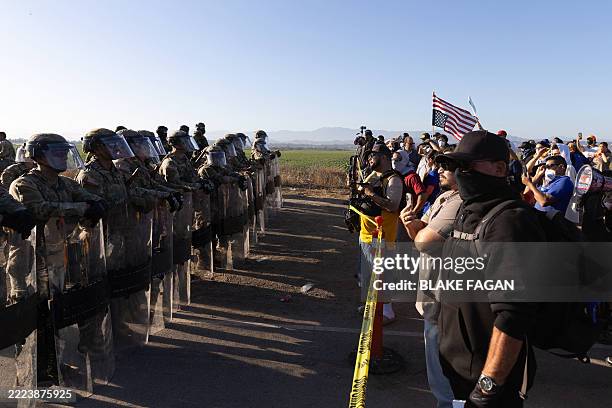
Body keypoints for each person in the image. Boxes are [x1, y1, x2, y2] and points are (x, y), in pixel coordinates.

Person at [436, 130, 545, 407]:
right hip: (458, 370)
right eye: (455, 166)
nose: (460, 173)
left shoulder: (509, 221)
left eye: (467, 166)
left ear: (499, 169)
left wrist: (487, 388)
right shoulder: (469, 211)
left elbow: (513, 316)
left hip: (490, 383)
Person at [400, 157, 461, 408]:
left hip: (443, 298)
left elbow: (426, 242)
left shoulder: (459, 203)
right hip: (431, 292)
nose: (439, 171)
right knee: (438, 370)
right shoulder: (443, 198)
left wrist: (419, 231)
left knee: (447, 376)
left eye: (447, 167)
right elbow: (420, 239)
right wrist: (410, 224)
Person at [357, 142, 402, 324]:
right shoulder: (374, 175)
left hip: (382, 237)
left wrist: (370, 193)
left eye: (372, 155)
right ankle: (371, 304)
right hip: (367, 234)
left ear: (383, 157)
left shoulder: (394, 180)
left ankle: (388, 312)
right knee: (368, 275)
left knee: (382, 275)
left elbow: (393, 205)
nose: (369, 159)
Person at [421, 151, 441, 215]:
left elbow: (428, 192)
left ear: (430, 160)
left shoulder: (433, 174)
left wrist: (418, 207)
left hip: (428, 205)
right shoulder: (437, 172)